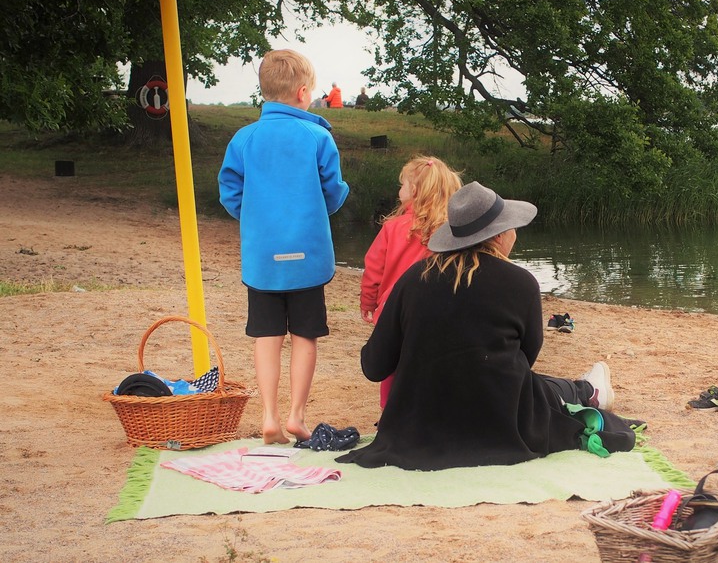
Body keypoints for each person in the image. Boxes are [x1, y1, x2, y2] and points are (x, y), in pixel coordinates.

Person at [336, 182, 634, 470]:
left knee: (537, 385)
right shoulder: (521, 283)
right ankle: (586, 390)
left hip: (420, 424)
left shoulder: (414, 279)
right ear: (498, 236)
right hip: (501, 421)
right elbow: (524, 360)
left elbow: (373, 366)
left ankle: (585, 388)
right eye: (511, 226)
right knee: (543, 389)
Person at [217, 49, 350, 445]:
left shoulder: (244, 138)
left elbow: (229, 192)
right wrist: (313, 212)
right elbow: (334, 191)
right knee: (305, 335)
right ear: (303, 92)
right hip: (308, 256)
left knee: (267, 335)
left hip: (263, 258)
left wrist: (256, 217)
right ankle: (296, 415)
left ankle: (270, 416)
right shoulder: (318, 136)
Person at [360, 155, 462, 408]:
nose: (399, 190)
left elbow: (374, 268)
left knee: (392, 364)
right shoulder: (452, 230)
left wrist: (369, 302)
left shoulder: (394, 227)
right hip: (438, 310)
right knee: (433, 362)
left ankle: (390, 413)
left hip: (394, 310)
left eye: (402, 184)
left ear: (414, 190)